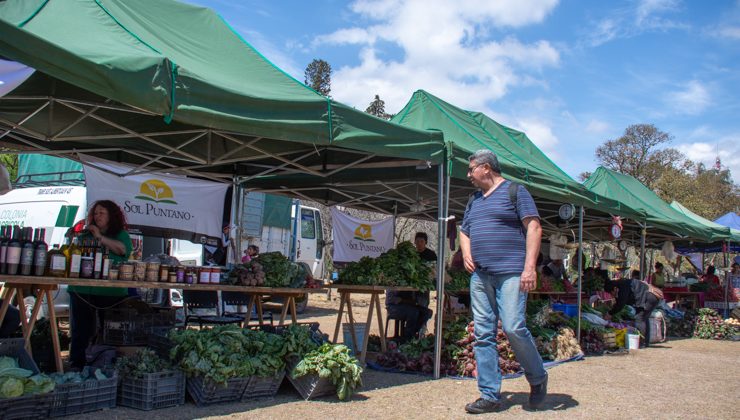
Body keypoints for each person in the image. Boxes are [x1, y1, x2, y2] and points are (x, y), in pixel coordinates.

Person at [459, 150, 547, 414]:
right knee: (483, 334)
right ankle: (489, 395)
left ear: (486, 168)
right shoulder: (474, 200)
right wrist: (466, 253)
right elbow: (464, 231)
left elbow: (534, 227)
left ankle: (538, 378)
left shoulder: (516, 192)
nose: (468, 174)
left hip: (511, 273)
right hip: (481, 276)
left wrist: (529, 269)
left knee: (513, 327)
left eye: (471, 168)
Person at [68, 200, 133, 369]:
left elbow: (122, 250)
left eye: (102, 213)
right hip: (81, 290)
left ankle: (108, 366)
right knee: (81, 331)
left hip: (110, 293)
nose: (97, 216)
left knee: (111, 332)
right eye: (95, 213)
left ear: (112, 215)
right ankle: (78, 366)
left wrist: (99, 237)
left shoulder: (120, 234)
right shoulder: (85, 235)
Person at [386, 232, 436, 341]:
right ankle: (408, 337)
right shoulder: (409, 258)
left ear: (426, 242)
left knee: (425, 311)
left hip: (421, 290)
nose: (419, 243)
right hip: (400, 301)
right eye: (417, 241)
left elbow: (434, 270)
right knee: (414, 312)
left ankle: (415, 334)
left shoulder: (431, 255)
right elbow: (395, 298)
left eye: (421, 241)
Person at [603, 277, 660, 348]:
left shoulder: (623, 287)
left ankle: (641, 342)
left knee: (639, 318)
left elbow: (621, 303)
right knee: (644, 318)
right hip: (650, 297)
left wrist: (610, 313)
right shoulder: (623, 284)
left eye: (611, 293)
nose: (612, 295)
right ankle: (645, 342)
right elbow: (620, 301)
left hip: (649, 297)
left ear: (614, 288)